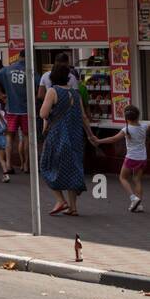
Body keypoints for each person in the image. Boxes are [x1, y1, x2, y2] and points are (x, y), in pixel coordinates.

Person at [39, 62, 92, 215]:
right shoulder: (76, 93)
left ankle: (61, 200)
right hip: (75, 136)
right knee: (72, 169)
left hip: (57, 136)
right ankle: (73, 208)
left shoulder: (52, 91)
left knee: (46, 166)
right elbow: (83, 116)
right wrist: (91, 135)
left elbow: (43, 114)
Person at [91, 104, 146, 212]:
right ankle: (139, 205)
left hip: (131, 158)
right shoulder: (144, 127)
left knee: (123, 178)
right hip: (142, 158)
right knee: (137, 180)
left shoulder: (126, 129)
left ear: (126, 118)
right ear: (138, 116)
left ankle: (133, 198)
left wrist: (98, 141)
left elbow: (113, 139)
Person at [0, 51, 29, 174]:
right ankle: (26, 165)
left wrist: (1, 95)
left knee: (9, 137)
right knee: (27, 137)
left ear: (19, 57)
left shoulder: (8, 69)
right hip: (25, 110)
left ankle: (8, 164)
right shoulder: (29, 70)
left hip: (11, 109)